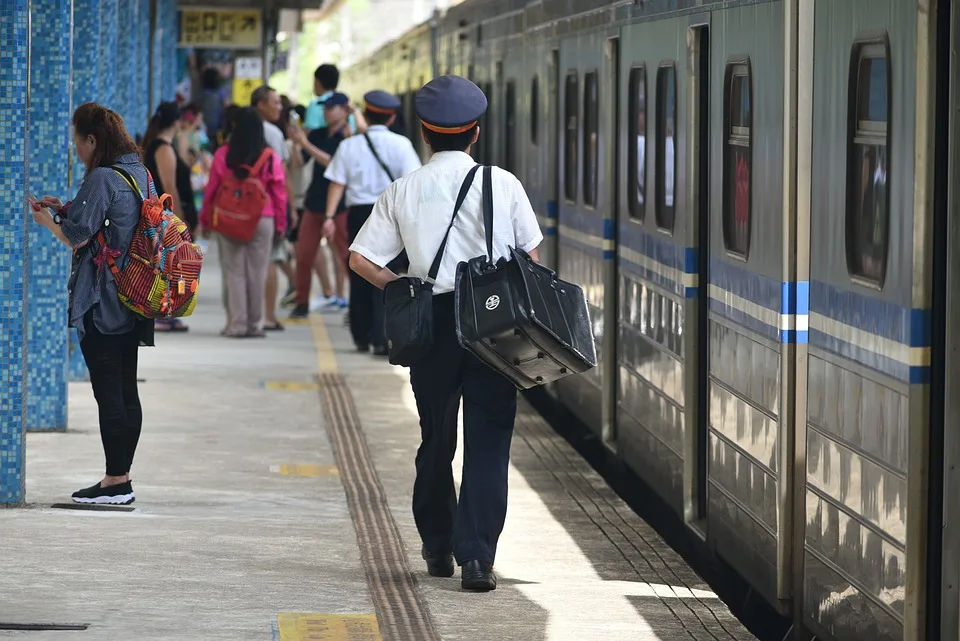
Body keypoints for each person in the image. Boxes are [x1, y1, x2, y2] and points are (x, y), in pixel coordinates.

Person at [347, 76, 543, 591]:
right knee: (490, 439)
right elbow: (532, 258)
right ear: (475, 133)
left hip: (431, 322)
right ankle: (477, 557)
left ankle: (437, 546)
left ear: (425, 135)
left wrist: (402, 286)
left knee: (436, 437)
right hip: (495, 321)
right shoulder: (504, 184)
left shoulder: (403, 190)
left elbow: (360, 258)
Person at [31, 103, 157, 505]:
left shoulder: (103, 177)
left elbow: (78, 236)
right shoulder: (139, 172)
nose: (76, 151)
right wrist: (66, 207)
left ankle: (116, 481)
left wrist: (48, 222)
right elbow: (116, 221)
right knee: (125, 389)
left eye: (77, 143)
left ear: (93, 140)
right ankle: (120, 477)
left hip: (103, 300)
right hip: (135, 297)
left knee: (109, 393)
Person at [323, 90, 421, 355]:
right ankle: (382, 338)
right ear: (390, 119)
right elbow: (412, 183)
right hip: (392, 214)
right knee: (385, 273)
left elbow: (337, 183)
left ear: (365, 114)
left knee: (358, 272)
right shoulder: (402, 145)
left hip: (359, 214)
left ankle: (361, 335)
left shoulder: (349, 145)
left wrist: (329, 217)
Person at [200, 107, 288, 338]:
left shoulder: (223, 155)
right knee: (257, 271)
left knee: (234, 272)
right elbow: (279, 193)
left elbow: (212, 190)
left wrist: (206, 219)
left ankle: (237, 325)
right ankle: (255, 324)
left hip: (231, 218)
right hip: (263, 218)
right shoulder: (269, 157)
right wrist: (281, 223)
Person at [287, 93, 352, 318]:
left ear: (345, 111)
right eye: (325, 108)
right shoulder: (317, 134)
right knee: (304, 255)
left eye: (332, 108)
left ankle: (355, 305)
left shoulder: (349, 139)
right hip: (313, 203)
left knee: (345, 255)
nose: (327, 112)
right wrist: (297, 144)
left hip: (340, 206)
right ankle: (302, 302)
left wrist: (305, 144)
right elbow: (299, 162)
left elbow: (335, 164)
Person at [141, 102, 198, 330]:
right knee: (166, 266)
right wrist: (179, 222)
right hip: (164, 219)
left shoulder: (160, 146)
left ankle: (164, 312)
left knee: (167, 266)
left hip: (160, 219)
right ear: (176, 122)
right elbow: (169, 188)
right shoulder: (163, 148)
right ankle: (159, 314)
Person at [252, 85, 294, 331]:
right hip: (267, 207)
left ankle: (249, 314)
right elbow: (282, 175)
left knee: (243, 265)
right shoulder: (273, 133)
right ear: (261, 105)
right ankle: (268, 316)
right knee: (270, 260)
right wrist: (288, 209)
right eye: (275, 103)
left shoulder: (239, 131)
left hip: (242, 206)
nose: (280, 107)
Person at [304, 63, 367, 135]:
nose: (324, 111)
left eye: (329, 108)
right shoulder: (347, 103)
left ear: (317, 82)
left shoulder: (316, 105)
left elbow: (309, 134)